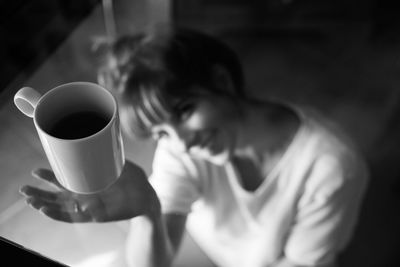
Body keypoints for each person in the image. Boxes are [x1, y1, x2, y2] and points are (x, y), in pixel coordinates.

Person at [20, 27, 369, 267]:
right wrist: (148, 214)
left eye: (184, 111)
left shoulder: (331, 166)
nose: (182, 142)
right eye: (160, 133)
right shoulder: (181, 149)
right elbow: (158, 258)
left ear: (220, 79)